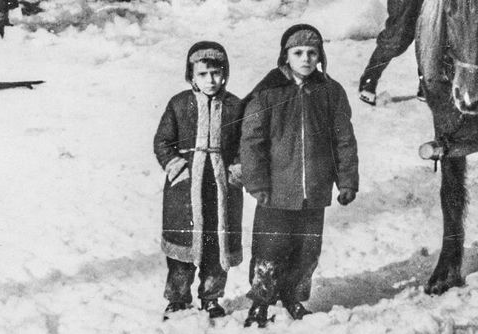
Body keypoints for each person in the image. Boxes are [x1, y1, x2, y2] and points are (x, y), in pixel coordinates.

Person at [241, 24, 359, 327]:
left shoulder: (330, 92)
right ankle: (260, 305)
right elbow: (251, 141)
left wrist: (346, 181)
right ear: (286, 57)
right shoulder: (269, 93)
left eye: (312, 52)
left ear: (320, 55)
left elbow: (343, 139)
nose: (306, 58)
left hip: (315, 191)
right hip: (276, 191)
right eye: (298, 53)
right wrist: (256, 183)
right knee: (270, 250)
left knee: (307, 249)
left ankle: (293, 298)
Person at [153, 41, 245, 321]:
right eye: (202, 74)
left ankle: (211, 297)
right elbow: (163, 141)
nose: (210, 80)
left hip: (220, 185)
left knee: (217, 245)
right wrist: (175, 165)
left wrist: (237, 169)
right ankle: (178, 298)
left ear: (225, 73)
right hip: (186, 186)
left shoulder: (235, 106)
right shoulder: (179, 104)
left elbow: (247, 143)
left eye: (216, 73)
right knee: (183, 247)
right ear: (191, 75)